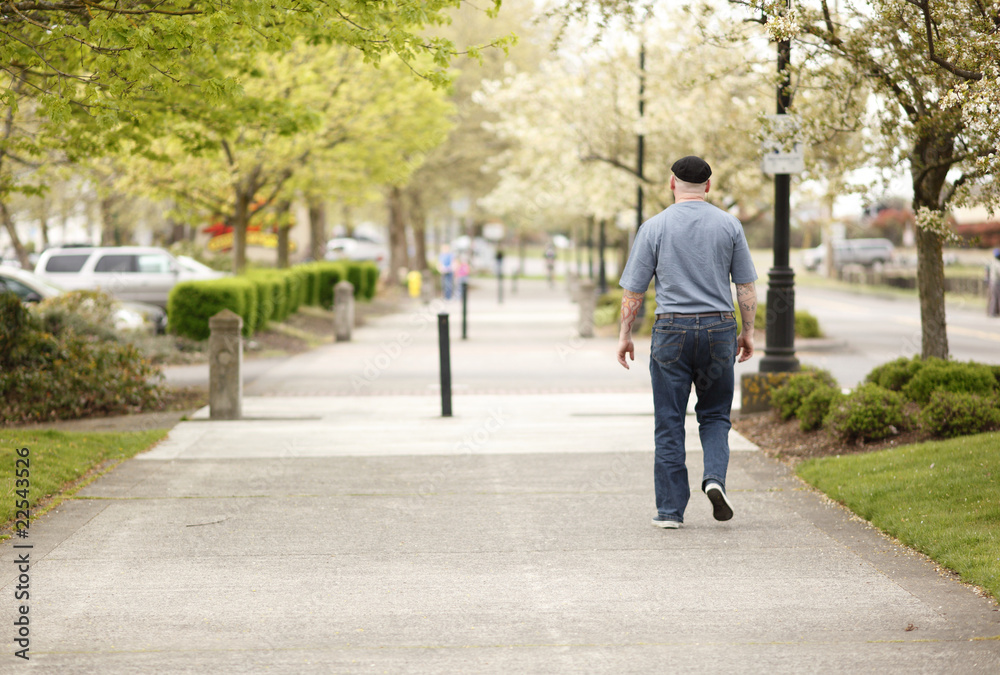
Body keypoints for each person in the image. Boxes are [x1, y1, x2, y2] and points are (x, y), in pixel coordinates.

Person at [616, 156, 758, 529]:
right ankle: (714, 479)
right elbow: (745, 288)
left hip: (671, 332)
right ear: (708, 186)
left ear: (671, 183)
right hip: (719, 331)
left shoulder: (654, 227)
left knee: (669, 421)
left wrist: (625, 335)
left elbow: (634, 291)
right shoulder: (729, 225)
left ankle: (670, 512)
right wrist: (749, 332)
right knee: (714, 415)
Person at [988, 248, 1000, 318]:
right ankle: (994, 312)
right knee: (997, 297)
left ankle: (992, 312)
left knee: (993, 297)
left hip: (992, 281)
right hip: (997, 282)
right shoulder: (998, 264)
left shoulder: (992, 263)